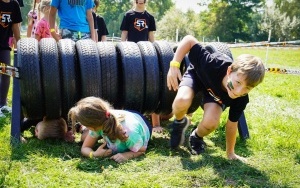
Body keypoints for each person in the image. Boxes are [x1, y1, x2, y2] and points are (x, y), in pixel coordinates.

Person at [167, 35, 265, 161]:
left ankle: (196, 136)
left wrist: (230, 153)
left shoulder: (241, 99)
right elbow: (189, 40)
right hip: (197, 77)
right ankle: (179, 123)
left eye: (248, 88)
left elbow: (232, 125)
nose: (238, 91)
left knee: (211, 123)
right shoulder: (212, 63)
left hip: (212, 95)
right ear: (229, 71)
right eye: (238, 82)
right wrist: (174, 65)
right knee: (182, 100)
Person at [120, 0, 164, 132]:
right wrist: (121, 50)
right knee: (128, 86)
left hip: (146, 56)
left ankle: (156, 124)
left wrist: (156, 53)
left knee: (153, 85)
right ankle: (124, 119)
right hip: (130, 56)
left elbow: (151, 37)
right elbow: (124, 34)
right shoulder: (128, 15)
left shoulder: (149, 17)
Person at [68, 96, 152, 163]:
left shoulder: (129, 133)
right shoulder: (101, 120)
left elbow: (142, 149)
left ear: (92, 126)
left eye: (84, 124)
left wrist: (126, 155)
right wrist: (94, 154)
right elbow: (85, 148)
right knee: (83, 138)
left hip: (141, 121)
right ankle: (89, 132)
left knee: (85, 137)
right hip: (119, 117)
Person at [0, 0, 22, 118]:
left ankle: (2, 105)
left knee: (6, 72)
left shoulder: (14, 4)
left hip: (4, 47)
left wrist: (20, 44)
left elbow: (15, 26)